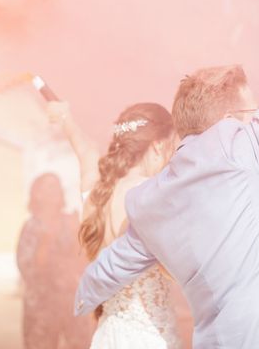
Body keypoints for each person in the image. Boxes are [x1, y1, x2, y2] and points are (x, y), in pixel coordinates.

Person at [74, 0, 259, 348]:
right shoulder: (240, 147)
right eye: (252, 113)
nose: (257, 119)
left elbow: (112, 267)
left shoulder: (147, 200)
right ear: (229, 119)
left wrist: (83, 297)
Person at [49, 102, 182, 348]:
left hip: (107, 335)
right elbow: (177, 270)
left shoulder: (98, 188)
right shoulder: (150, 195)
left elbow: (86, 151)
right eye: (172, 146)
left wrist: (65, 118)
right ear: (158, 145)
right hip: (149, 339)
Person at [17, 173, 92, 349]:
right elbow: (29, 271)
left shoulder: (70, 222)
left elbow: (83, 263)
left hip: (71, 302)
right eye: (50, 186)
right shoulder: (31, 228)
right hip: (41, 308)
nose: (56, 190)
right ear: (37, 194)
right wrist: (47, 238)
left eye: (57, 185)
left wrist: (78, 235)